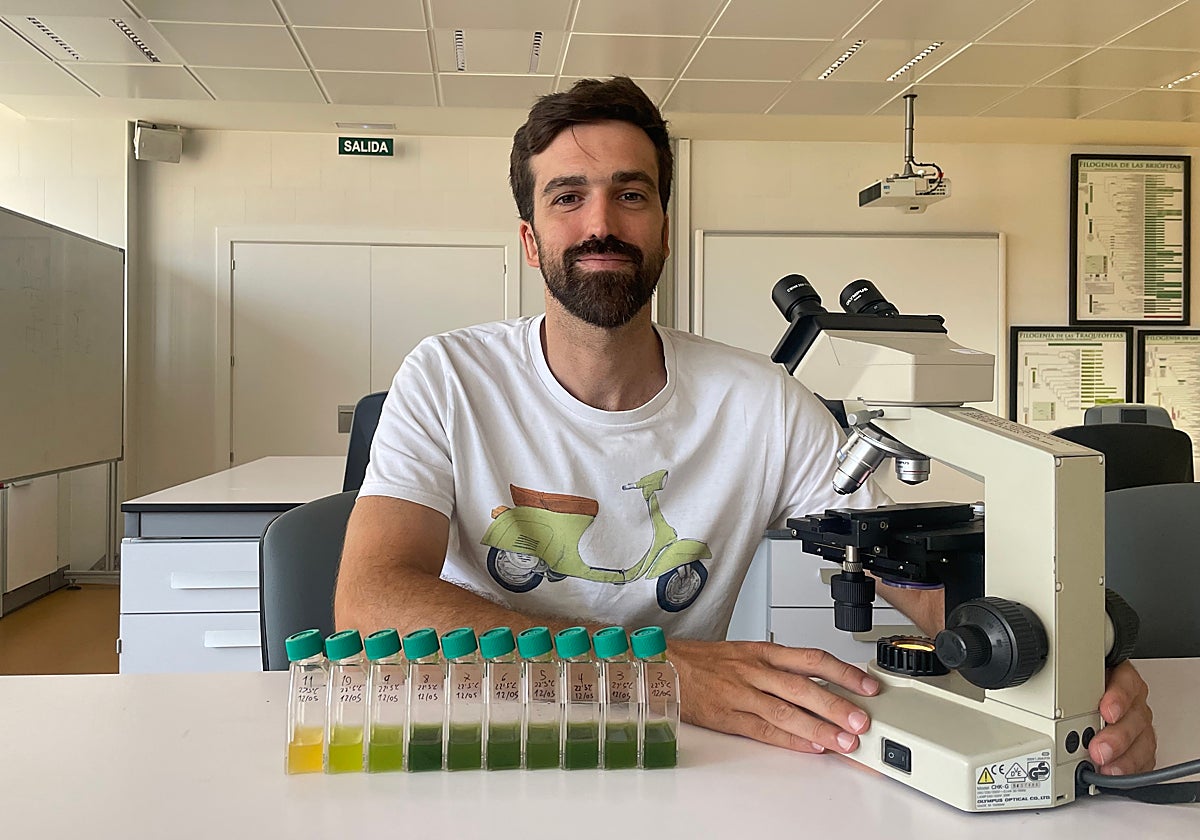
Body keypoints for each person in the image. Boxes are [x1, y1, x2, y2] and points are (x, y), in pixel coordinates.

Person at [334, 76, 1155, 774]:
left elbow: (924, 576)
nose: (601, 225)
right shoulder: (447, 377)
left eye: (631, 193)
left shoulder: (759, 401)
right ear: (529, 238)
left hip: (689, 760)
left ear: (660, 225)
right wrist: (654, 671)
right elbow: (370, 602)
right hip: (487, 736)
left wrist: (1073, 669)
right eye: (567, 197)